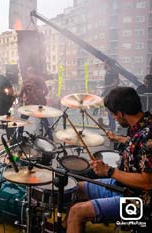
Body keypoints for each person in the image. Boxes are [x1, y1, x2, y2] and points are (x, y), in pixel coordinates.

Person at [64, 87, 152, 233]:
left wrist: (109, 171)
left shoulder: (148, 138)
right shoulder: (144, 124)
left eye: (114, 115)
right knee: (75, 188)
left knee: (76, 212)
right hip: (123, 186)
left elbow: (148, 182)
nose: (115, 119)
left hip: (139, 200)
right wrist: (118, 138)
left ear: (121, 113)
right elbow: (137, 143)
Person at [18, 66, 53, 140]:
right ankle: (51, 138)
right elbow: (46, 91)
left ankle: (19, 138)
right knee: (44, 121)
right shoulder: (40, 80)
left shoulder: (25, 82)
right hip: (39, 105)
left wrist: (14, 94)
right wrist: (41, 97)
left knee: (22, 121)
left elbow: (20, 94)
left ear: (28, 73)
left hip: (29, 106)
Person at [102, 59, 119, 131]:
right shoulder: (107, 71)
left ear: (108, 64)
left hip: (111, 93)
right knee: (108, 109)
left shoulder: (113, 71)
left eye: (104, 63)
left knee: (110, 109)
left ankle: (112, 127)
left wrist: (106, 87)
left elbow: (116, 83)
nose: (103, 65)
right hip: (107, 92)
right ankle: (110, 125)